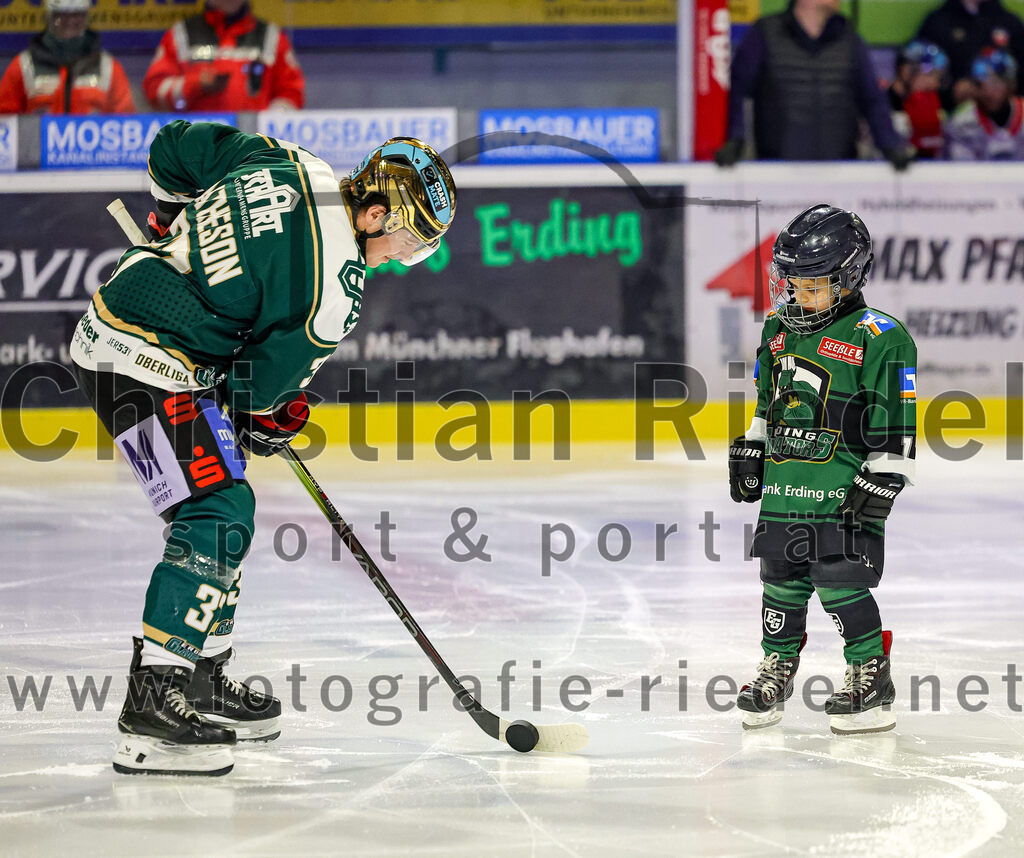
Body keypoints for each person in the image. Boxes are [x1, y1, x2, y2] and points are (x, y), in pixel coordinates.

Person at [69, 121, 456, 775]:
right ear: (374, 212)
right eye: (409, 240)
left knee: (227, 498)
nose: (400, 256)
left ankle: (199, 678)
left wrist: (168, 214)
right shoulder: (337, 286)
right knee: (217, 512)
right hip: (141, 363)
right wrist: (270, 420)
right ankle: (152, 704)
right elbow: (256, 396)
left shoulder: (287, 160)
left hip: (126, 339)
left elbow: (173, 148)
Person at [728, 204, 917, 735]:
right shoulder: (777, 330)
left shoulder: (880, 335)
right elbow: (769, 402)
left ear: (850, 277)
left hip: (844, 488)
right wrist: (753, 445)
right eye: (793, 283)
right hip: (787, 485)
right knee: (779, 580)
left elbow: (899, 423)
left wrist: (884, 479)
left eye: (814, 285)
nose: (799, 295)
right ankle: (777, 668)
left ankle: (869, 673)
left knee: (840, 580)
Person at [714, 0, 911, 169]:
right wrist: (735, 140)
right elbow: (737, 90)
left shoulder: (849, 39)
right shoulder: (764, 33)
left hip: (841, 172)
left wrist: (890, 146)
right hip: (777, 176)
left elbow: (873, 100)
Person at [143, 0, 304, 112]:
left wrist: (268, 126)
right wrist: (195, 84)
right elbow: (155, 91)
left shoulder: (272, 37)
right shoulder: (181, 34)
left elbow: (292, 93)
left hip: (252, 150)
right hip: (196, 148)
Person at [0, 0, 134, 114]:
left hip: (95, 144)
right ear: (49, 17)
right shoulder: (23, 65)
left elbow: (126, 125)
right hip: (36, 144)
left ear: (86, 18)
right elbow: (4, 125)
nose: (69, 21)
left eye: (77, 15)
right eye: (61, 16)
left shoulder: (108, 67)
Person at [916, 0, 1024, 106]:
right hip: (949, 115)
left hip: (1004, 117)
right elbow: (918, 75)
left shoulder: (1011, 24)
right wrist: (952, 89)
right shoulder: (937, 22)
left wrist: (1003, 89)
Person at [946, 48, 1024, 158]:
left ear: (1011, 84)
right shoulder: (962, 122)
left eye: (994, 83)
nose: (987, 92)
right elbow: (962, 170)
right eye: (980, 84)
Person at [888, 40, 948, 160]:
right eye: (930, 74)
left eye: (938, 77)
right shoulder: (880, 106)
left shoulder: (930, 103)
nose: (934, 84)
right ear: (906, 70)